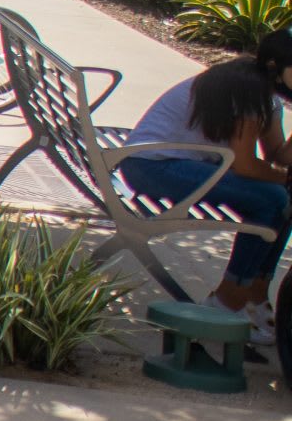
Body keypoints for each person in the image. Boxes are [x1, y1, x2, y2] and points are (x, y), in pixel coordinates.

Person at [115, 33, 292, 337]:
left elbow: (278, 155)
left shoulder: (266, 92)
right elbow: (245, 165)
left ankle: (254, 294)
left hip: (178, 164)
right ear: (276, 65)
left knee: (282, 195)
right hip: (151, 166)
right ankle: (226, 301)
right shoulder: (249, 89)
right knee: (271, 198)